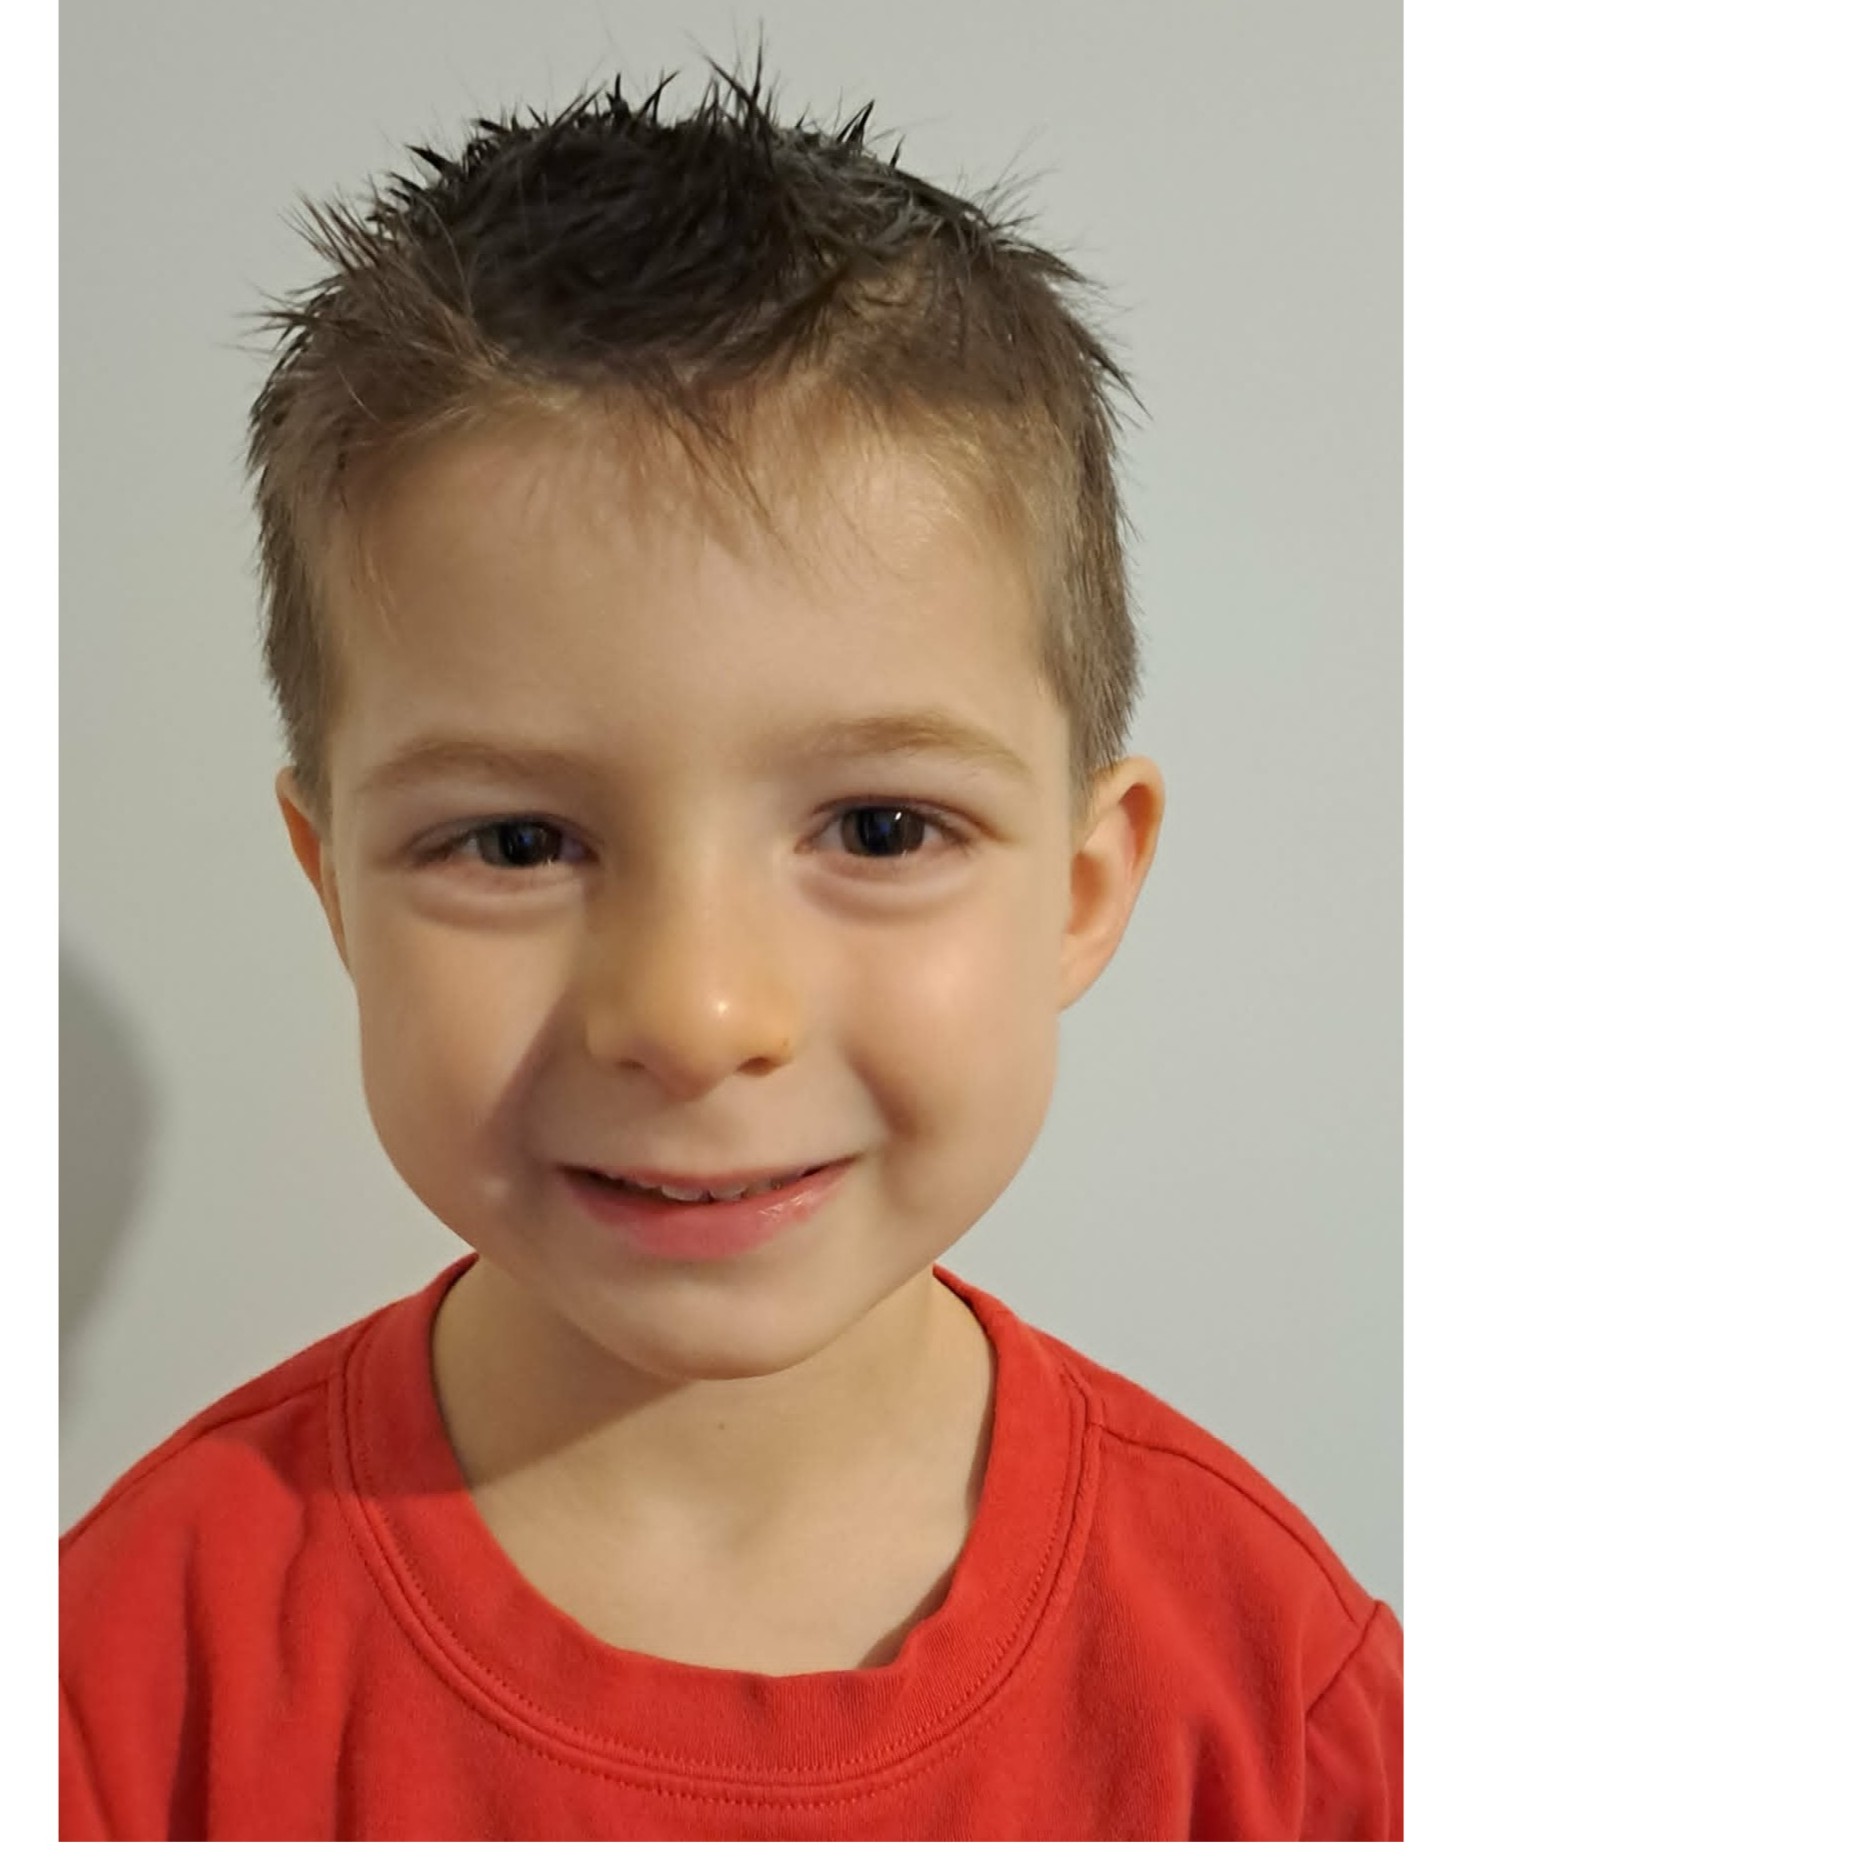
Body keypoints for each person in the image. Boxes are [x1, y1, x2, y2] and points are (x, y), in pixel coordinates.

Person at [59, 57, 1401, 1840]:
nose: (695, 1014)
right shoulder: (112, 1687)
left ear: (1083, 888)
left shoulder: (1289, 1707)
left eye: (880, 829)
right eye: (517, 842)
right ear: (335, 893)